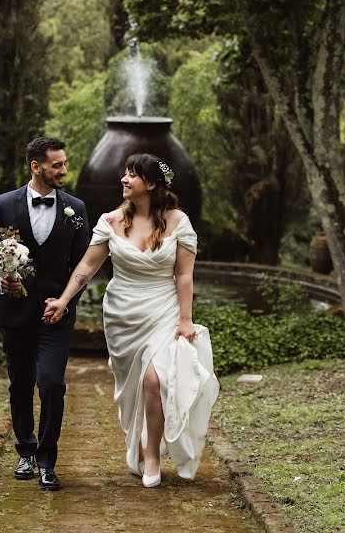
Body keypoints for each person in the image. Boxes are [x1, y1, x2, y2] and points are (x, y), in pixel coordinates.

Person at [43, 153, 219, 488]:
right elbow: (87, 267)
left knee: (155, 380)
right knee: (133, 387)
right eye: (124, 173)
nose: (124, 179)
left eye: (132, 175)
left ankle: (151, 453)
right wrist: (64, 301)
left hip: (163, 307)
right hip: (123, 312)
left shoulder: (178, 222)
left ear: (150, 184)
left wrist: (186, 320)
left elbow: (184, 276)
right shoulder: (110, 221)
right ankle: (138, 441)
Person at [0, 137, 91, 491]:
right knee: (21, 384)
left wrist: (66, 301)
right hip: (14, 314)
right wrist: (1, 280)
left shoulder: (76, 209)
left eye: (64, 164)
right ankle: (25, 452)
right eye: (57, 165)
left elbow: (84, 265)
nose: (63, 171)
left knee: (52, 384)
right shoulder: (4, 204)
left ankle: (47, 460)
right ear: (36, 167)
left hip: (56, 315)